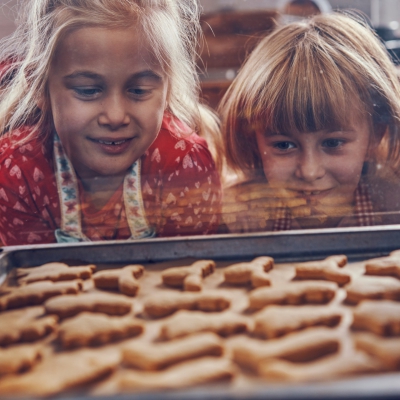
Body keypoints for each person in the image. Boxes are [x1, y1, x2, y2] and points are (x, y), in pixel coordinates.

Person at [0, 0, 221, 246]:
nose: (116, 116)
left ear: (168, 88)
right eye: (88, 90)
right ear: (40, 89)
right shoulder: (15, 172)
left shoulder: (184, 163)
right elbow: (30, 277)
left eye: (138, 91)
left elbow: (190, 269)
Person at [219, 12, 400, 233]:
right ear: (252, 140)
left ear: (375, 136)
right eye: (284, 145)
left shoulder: (391, 210)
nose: (309, 171)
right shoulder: (243, 214)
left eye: (333, 143)